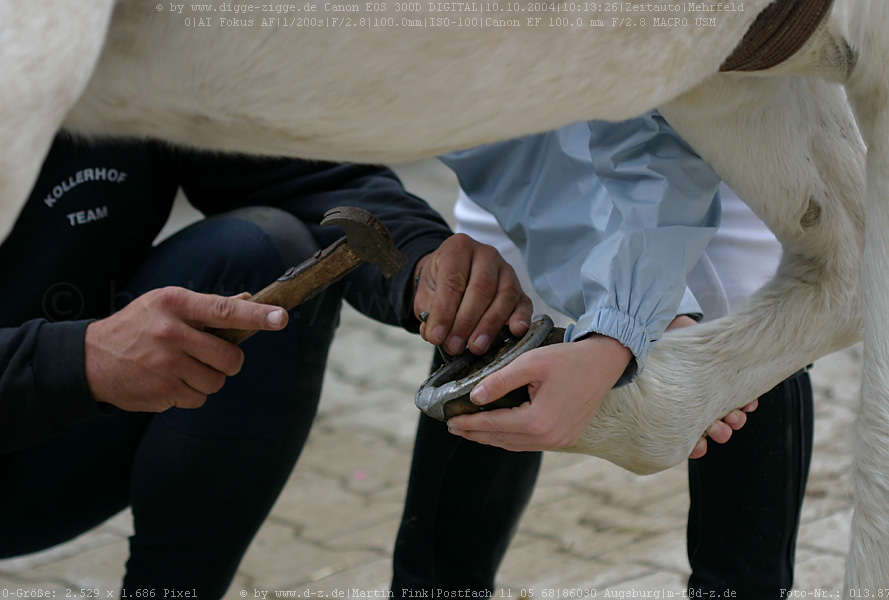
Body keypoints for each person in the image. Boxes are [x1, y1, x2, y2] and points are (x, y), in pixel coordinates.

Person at [0, 134, 532, 598]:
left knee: (255, 248)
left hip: (57, 449)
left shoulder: (108, 44)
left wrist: (420, 261)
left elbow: (294, 175)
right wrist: (77, 359)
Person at [394, 118, 809, 595]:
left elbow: (655, 134)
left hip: (724, 119)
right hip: (519, 138)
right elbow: (513, 149)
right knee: (490, 304)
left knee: (742, 311)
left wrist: (636, 317)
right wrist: (637, 315)